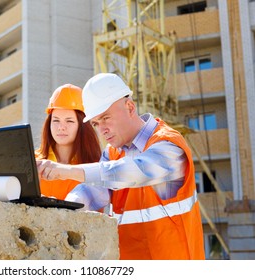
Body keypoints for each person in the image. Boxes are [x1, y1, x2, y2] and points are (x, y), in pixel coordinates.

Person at [37, 73, 205, 260]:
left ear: (130, 107)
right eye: (96, 123)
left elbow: (135, 171)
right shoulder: (112, 153)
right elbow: (91, 192)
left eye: (106, 118)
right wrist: (62, 209)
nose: (102, 130)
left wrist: (65, 171)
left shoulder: (169, 146)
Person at [35, 83, 101, 200]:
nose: (61, 127)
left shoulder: (94, 167)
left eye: (69, 121)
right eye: (56, 120)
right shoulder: (33, 162)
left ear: (83, 126)